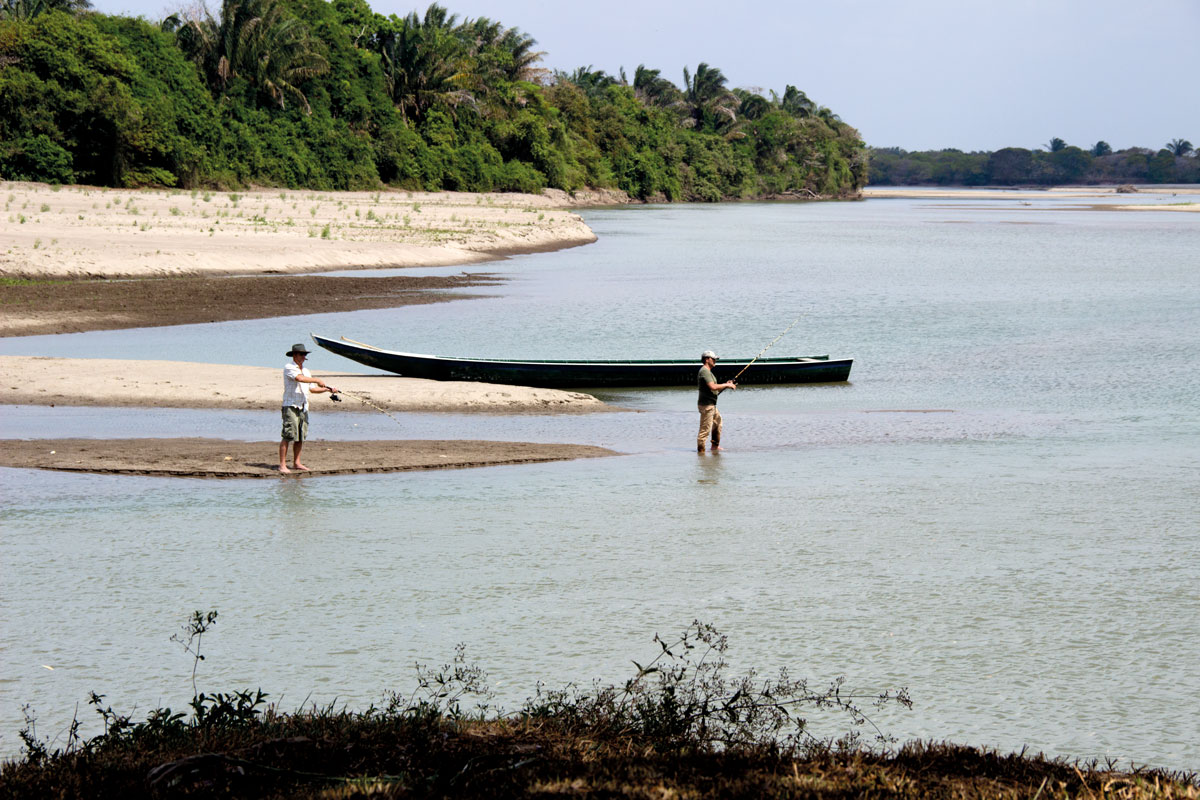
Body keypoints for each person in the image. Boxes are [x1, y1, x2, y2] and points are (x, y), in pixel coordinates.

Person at [279, 343, 339, 473]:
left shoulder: (306, 371)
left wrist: (328, 390)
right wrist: (317, 379)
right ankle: (282, 465)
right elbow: (299, 378)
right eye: (301, 354)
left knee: (301, 436)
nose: (303, 356)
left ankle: (297, 463)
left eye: (305, 354)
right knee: (288, 435)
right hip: (290, 405)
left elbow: (311, 389)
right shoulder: (289, 367)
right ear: (294, 355)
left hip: (303, 406)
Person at [697, 350, 735, 452]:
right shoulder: (704, 371)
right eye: (713, 359)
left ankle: (715, 446)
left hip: (711, 405)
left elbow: (714, 389)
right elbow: (713, 387)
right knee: (705, 430)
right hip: (706, 405)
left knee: (718, 423)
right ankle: (701, 452)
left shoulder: (708, 372)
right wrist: (727, 385)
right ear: (707, 359)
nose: (715, 361)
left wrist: (726, 384)